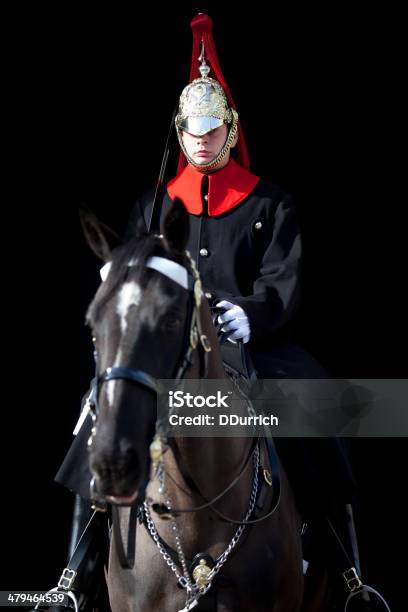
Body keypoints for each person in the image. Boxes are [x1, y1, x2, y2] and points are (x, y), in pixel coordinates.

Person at [56, 12, 356, 608]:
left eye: (212, 130)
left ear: (230, 128)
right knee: (99, 410)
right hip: (170, 350)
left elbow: (282, 279)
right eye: (192, 131)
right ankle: (75, 570)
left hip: (251, 344)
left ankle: (345, 568)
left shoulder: (269, 203)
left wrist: (252, 312)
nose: (201, 140)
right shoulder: (153, 206)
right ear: (180, 130)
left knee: (321, 406)